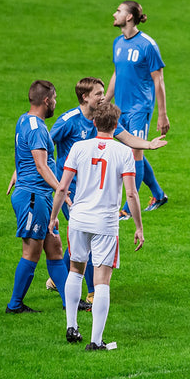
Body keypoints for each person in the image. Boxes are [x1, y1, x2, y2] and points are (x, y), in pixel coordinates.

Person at [45, 77, 168, 304]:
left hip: (93, 191)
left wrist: (149, 144)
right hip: (71, 193)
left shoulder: (103, 118)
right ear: (85, 97)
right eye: (98, 94)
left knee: (82, 237)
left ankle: (57, 278)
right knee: (88, 239)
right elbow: (43, 145)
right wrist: (40, 173)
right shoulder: (68, 121)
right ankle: (92, 293)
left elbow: (127, 138)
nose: (103, 97)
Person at [49, 102, 144, 350]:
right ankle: (95, 341)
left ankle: (72, 326)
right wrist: (138, 227)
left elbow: (62, 187)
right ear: (115, 125)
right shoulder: (124, 153)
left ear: (94, 123)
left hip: (78, 218)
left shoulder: (79, 148)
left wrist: (54, 216)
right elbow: (132, 195)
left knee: (75, 271)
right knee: (102, 281)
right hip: (105, 222)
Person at [4, 80, 71, 314]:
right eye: (54, 99)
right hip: (34, 198)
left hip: (37, 196)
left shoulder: (25, 119)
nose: (55, 103)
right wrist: (62, 190)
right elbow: (42, 166)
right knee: (31, 253)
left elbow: (25, 155)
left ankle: (69, 302)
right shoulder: (37, 128)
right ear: (46, 100)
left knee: (54, 248)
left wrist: (17, 173)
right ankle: (15, 305)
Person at [106, 0, 170, 217]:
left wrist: (162, 114)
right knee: (133, 149)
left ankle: (126, 209)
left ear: (129, 17)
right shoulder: (118, 42)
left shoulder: (147, 45)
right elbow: (117, 73)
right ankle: (159, 194)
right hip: (120, 107)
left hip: (140, 108)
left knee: (135, 153)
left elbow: (158, 81)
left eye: (118, 11)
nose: (114, 14)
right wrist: (106, 99)